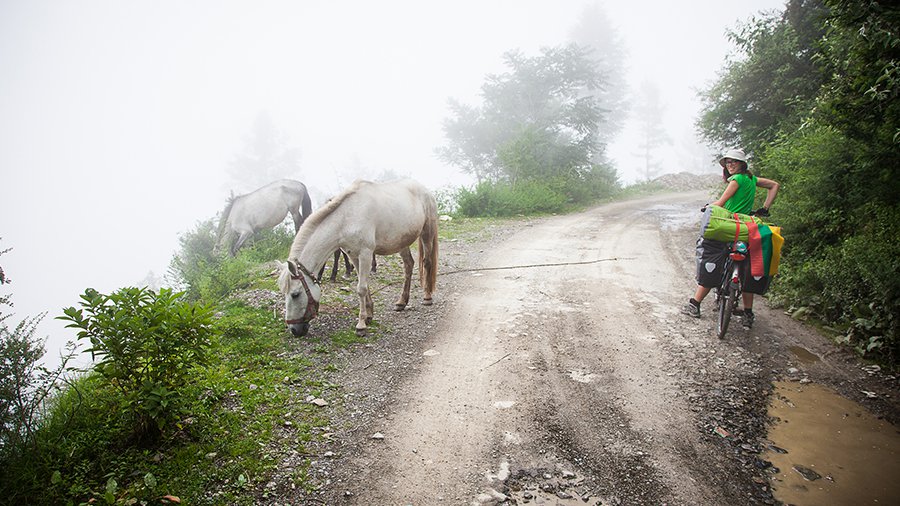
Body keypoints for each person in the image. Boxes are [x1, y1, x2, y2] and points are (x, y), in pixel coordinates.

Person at [681, 148, 780, 329]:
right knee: (747, 266)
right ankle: (748, 313)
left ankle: (694, 304)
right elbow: (774, 185)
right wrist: (764, 208)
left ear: (742, 164)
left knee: (715, 259)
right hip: (748, 228)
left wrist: (707, 207)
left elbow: (719, 203)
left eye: (733, 161)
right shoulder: (752, 179)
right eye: (728, 162)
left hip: (729, 226)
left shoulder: (735, 180)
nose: (730, 164)